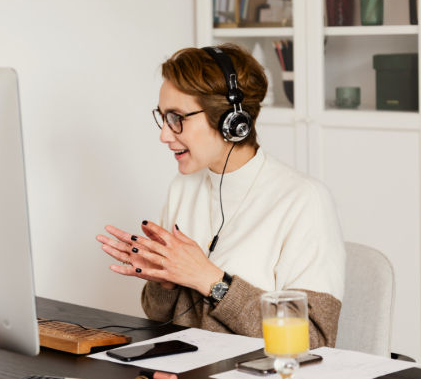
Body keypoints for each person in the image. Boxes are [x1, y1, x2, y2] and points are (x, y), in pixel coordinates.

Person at [96, 43, 345, 349]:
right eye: (162, 118)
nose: (164, 134)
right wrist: (165, 281)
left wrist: (211, 280)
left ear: (231, 120)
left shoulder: (304, 200)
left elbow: (314, 340)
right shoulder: (183, 188)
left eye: (177, 119)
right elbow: (158, 316)